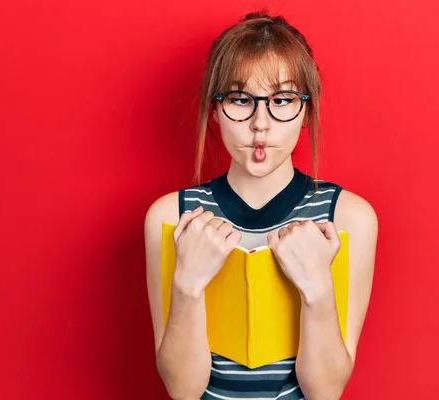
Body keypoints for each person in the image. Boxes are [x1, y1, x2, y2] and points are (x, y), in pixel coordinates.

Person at [144, 11, 378, 400]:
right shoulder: (172, 217)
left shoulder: (348, 217)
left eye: (282, 100)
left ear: (305, 111)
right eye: (239, 99)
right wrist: (187, 284)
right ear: (216, 109)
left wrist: (316, 288)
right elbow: (183, 391)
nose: (260, 124)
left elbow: (325, 392)